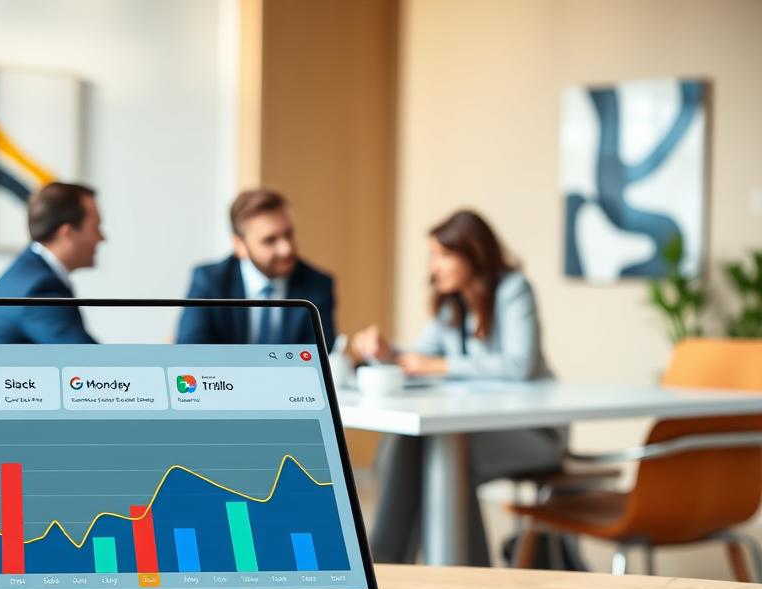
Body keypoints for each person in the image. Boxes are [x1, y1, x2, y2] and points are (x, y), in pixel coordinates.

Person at [350, 210, 568, 566]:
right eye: (432, 256)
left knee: (450, 452)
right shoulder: (452, 304)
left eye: (443, 255)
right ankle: (386, 563)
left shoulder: (513, 290)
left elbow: (519, 364)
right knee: (409, 440)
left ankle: (449, 572)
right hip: (476, 430)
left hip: (535, 434)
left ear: (473, 254)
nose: (434, 267)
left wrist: (441, 365)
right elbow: (420, 356)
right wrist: (386, 352)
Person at [175, 188, 336, 350]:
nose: (286, 249)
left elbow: (319, 355)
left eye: (288, 234)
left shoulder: (318, 285)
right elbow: (190, 352)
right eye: (270, 240)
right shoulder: (209, 282)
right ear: (240, 245)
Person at [0, 182, 105, 344]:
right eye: (95, 228)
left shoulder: (31, 270)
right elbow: (87, 356)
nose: (102, 238)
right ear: (67, 233)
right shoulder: (40, 289)